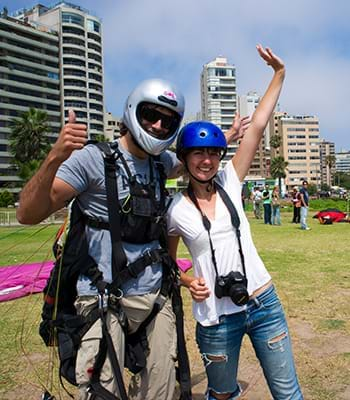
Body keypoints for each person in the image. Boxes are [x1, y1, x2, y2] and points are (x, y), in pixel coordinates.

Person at [16, 79, 189, 400]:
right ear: (132, 111)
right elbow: (28, 213)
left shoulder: (159, 164)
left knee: (163, 391)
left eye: (168, 121)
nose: (158, 125)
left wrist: (227, 139)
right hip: (101, 298)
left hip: (155, 299)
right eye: (151, 114)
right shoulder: (91, 159)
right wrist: (55, 157)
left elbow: (188, 165)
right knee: (103, 391)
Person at [167, 45, 303, 400]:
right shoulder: (175, 209)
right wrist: (186, 281)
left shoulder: (230, 181)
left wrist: (279, 74)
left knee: (288, 394)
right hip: (214, 317)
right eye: (199, 153)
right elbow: (166, 260)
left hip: (262, 304)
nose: (208, 161)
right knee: (223, 394)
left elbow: (257, 125)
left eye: (213, 152)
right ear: (185, 158)